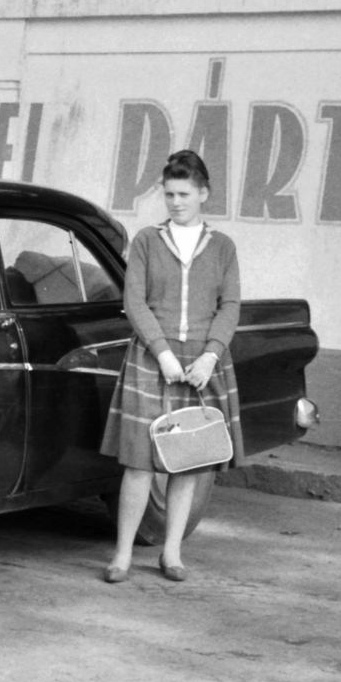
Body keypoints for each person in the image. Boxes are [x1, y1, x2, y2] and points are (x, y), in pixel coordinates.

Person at [98, 149, 243, 583]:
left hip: (201, 362)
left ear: (203, 194)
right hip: (150, 358)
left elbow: (230, 304)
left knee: (188, 460)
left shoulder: (222, 247)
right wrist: (160, 351)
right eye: (169, 194)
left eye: (183, 193)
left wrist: (210, 355)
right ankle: (122, 555)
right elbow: (134, 301)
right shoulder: (145, 241)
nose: (175, 202)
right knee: (140, 462)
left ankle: (172, 553)